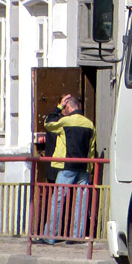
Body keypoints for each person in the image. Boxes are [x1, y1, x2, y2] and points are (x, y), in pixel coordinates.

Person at [40, 93, 97, 244]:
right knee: (81, 202)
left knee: (57, 201)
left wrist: (58, 107)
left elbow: (48, 123)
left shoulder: (65, 121)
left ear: (68, 106)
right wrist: (90, 171)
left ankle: (50, 236)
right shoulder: (89, 124)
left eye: (65, 107)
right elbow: (91, 150)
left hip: (67, 167)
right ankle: (76, 237)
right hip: (83, 168)